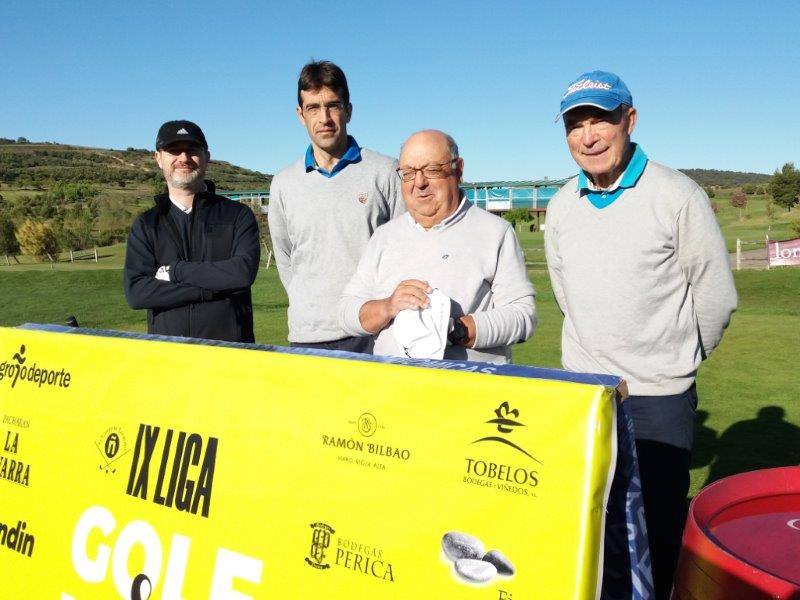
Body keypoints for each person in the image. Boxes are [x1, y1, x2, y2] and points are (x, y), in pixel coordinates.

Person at [544, 71, 737, 598]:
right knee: (593, 525)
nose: (588, 136)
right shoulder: (561, 206)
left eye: (600, 119)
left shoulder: (677, 195)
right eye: (575, 124)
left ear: (629, 120)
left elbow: (715, 297)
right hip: (588, 398)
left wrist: (674, 356)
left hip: (659, 397)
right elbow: (566, 294)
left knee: (658, 530)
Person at [339, 130, 536, 363]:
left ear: (458, 170)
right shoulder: (383, 237)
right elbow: (346, 313)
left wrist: (454, 329)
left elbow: (523, 316)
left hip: (470, 388)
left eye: (432, 170)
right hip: (395, 389)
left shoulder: (496, 232)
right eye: (409, 173)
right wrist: (388, 307)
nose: (419, 183)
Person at [268, 61, 404, 353]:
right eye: (313, 108)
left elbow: (404, 249)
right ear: (300, 115)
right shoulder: (283, 183)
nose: (324, 118)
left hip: (373, 332)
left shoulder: (385, 171)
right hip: (308, 335)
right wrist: (310, 304)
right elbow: (285, 258)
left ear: (349, 110)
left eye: (333, 105)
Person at [124, 120, 260, 343]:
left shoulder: (237, 215)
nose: (184, 158)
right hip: (169, 362)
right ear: (158, 158)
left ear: (207, 157)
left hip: (233, 359)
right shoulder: (147, 224)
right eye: (174, 150)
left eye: (192, 150)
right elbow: (137, 293)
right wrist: (211, 290)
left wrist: (176, 271)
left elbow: (241, 273)